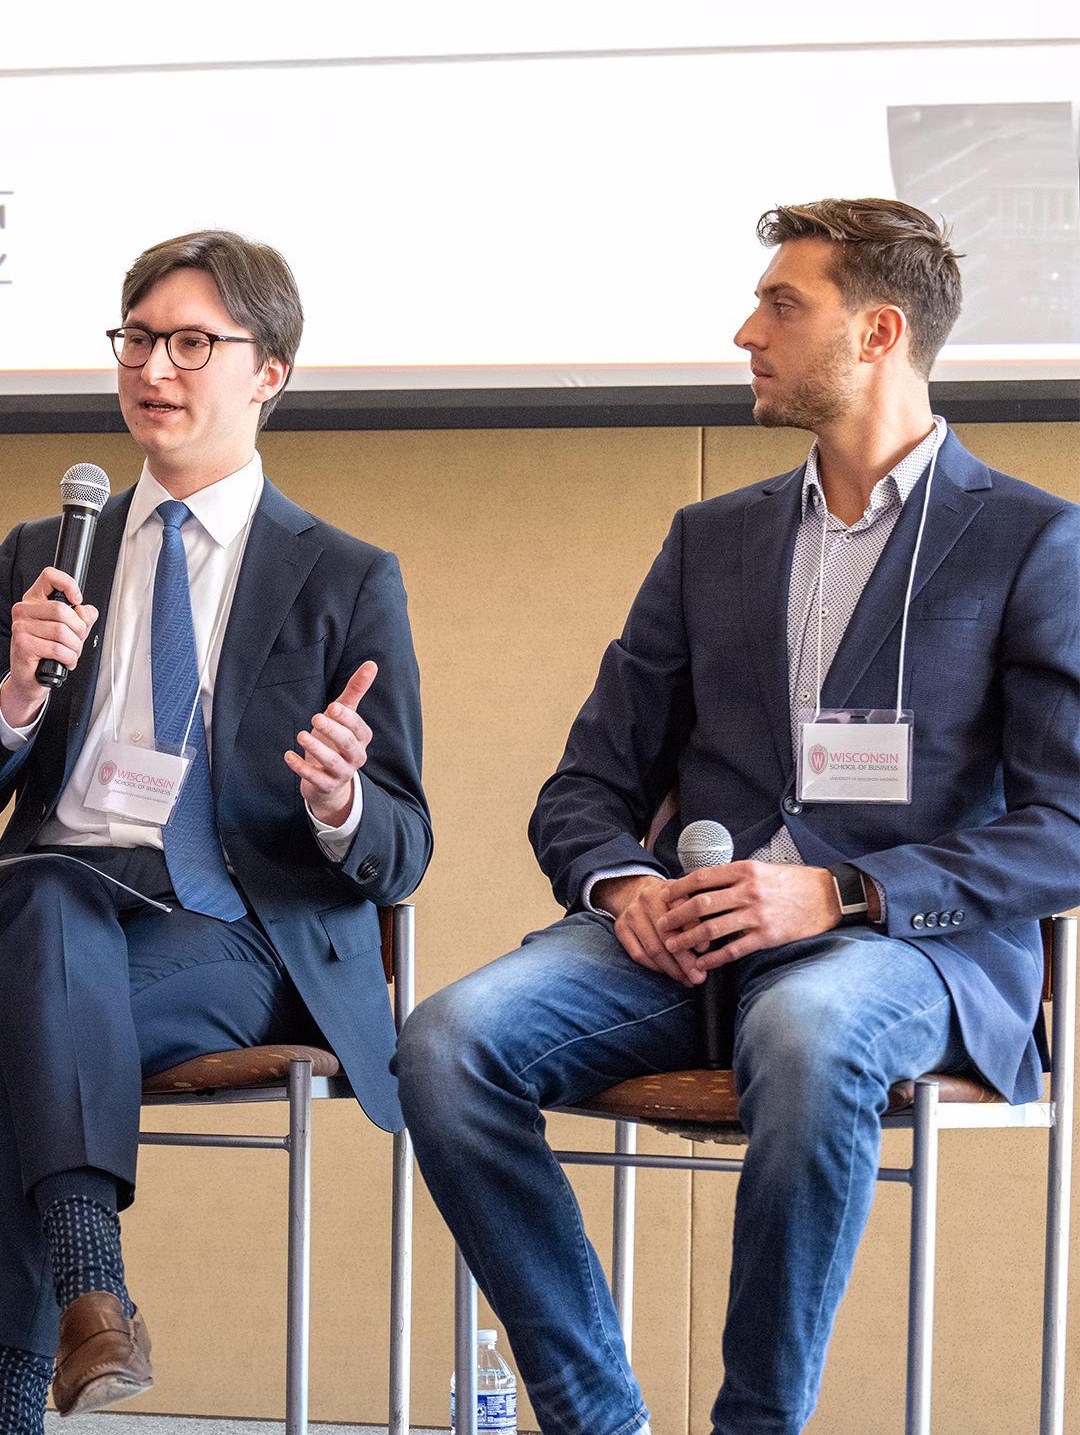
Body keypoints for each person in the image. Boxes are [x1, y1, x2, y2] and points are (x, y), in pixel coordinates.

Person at [397, 199, 1080, 1435]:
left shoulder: (1032, 541)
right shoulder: (712, 540)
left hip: (900, 952)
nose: (744, 331)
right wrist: (622, 886)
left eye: (781, 305)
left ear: (878, 331)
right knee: (445, 1043)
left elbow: (1068, 825)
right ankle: (596, 1416)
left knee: (810, 1032)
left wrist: (846, 892)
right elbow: (585, 787)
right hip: (687, 942)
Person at [0, 230, 431, 1430]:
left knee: (25, 1026)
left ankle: (12, 1382)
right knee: (39, 908)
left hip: (231, 930)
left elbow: (405, 842)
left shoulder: (344, 576)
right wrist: (15, 693)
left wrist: (339, 802)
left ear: (271, 373)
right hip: (59, 896)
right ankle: (91, 1289)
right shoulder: (45, 555)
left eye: (194, 342)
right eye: (137, 338)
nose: (156, 366)